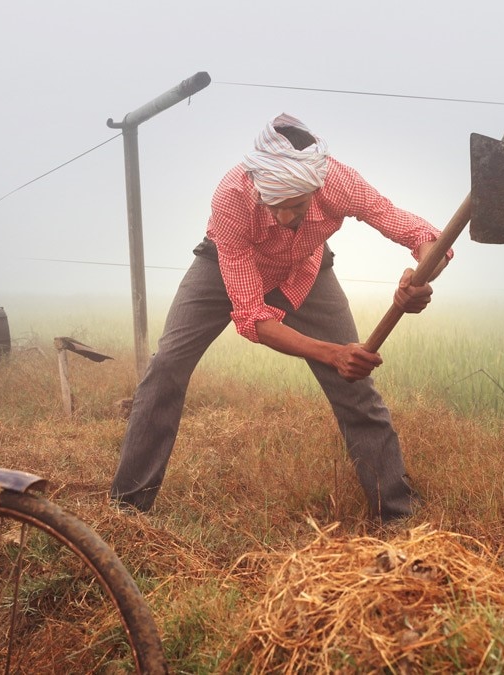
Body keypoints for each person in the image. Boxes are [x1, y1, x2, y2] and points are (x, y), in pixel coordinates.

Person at [109, 113, 451, 522]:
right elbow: (255, 318)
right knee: (166, 367)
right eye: (275, 208)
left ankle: (398, 514)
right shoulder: (232, 197)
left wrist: (420, 278)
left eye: (297, 206)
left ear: (315, 188)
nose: (285, 219)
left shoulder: (337, 180)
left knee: (355, 387)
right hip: (227, 267)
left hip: (306, 270)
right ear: (258, 189)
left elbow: (422, 235)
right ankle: (127, 509)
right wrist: (332, 352)